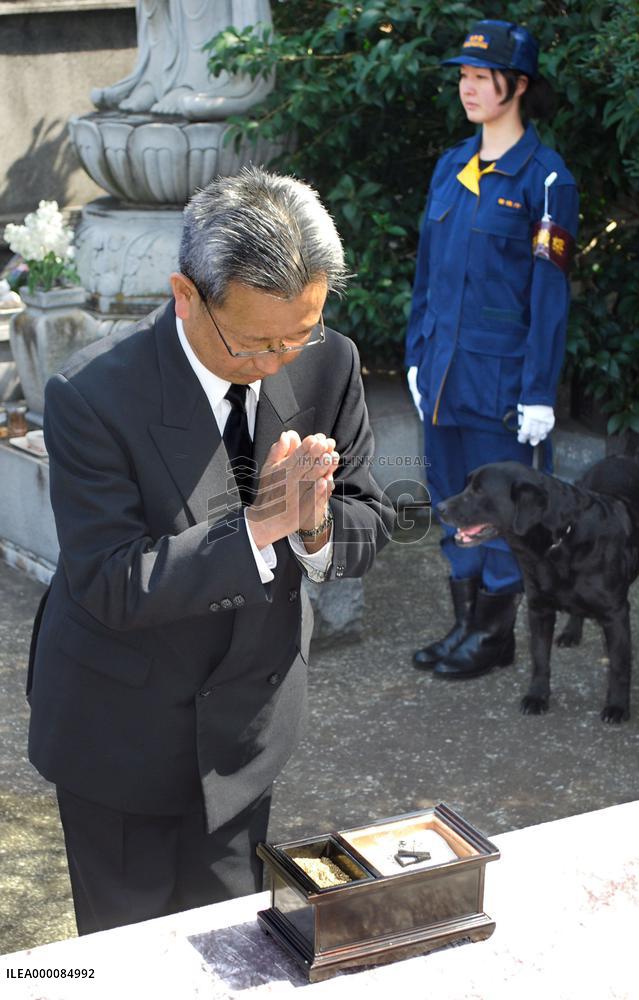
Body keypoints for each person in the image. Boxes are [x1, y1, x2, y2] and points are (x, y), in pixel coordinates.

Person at [27, 166, 395, 934]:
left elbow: (370, 519)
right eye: (255, 342)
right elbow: (110, 581)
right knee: (128, 956)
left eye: (301, 332)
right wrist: (260, 524)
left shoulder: (328, 361)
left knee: (232, 943)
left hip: (248, 722)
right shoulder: (94, 395)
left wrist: (316, 524)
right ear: (186, 294)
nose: (278, 362)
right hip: (119, 728)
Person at [406, 20, 578, 680]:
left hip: (501, 387)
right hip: (443, 377)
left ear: (518, 86)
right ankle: (464, 625)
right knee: (451, 501)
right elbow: (426, 274)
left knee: (501, 514)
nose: (467, 87)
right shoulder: (451, 167)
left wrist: (538, 391)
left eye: (480, 76)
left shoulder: (544, 181)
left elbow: (548, 297)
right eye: (462, 76)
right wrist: (416, 354)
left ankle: (494, 636)